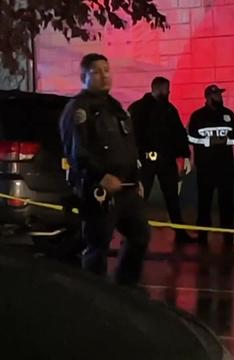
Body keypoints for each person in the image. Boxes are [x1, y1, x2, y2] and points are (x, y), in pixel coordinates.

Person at [59, 53, 150, 285]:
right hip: (100, 190)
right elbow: (77, 152)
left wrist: (136, 178)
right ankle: (95, 299)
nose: (104, 76)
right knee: (98, 244)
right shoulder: (78, 110)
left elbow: (129, 147)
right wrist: (100, 176)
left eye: (107, 70)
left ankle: (125, 289)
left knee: (140, 236)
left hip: (127, 188)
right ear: (84, 76)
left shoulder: (116, 108)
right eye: (96, 71)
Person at [128, 77, 192, 244]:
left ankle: (180, 233)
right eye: (165, 89)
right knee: (141, 198)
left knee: (172, 198)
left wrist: (185, 155)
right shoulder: (138, 109)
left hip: (166, 160)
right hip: (146, 160)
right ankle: (134, 234)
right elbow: (131, 135)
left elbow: (178, 133)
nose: (168, 93)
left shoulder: (169, 109)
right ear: (156, 88)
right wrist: (135, 156)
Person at [187, 85, 234, 248]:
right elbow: (190, 137)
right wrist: (208, 141)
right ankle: (203, 235)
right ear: (208, 97)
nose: (220, 97)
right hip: (206, 168)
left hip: (225, 167)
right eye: (217, 94)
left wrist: (226, 141)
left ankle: (228, 234)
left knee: (227, 203)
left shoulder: (228, 115)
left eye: (220, 94)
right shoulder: (197, 116)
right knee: (204, 203)